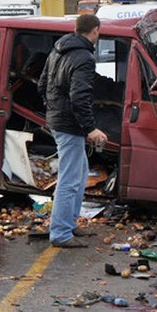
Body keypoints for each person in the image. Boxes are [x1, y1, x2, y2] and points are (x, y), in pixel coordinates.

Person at [37, 13, 107, 248]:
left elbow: (42, 84)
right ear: (95, 30)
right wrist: (91, 129)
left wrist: (53, 110)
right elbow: (79, 97)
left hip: (58, 120)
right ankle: (60, 233)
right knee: (69, 179)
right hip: (69, 125)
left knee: (80, 172)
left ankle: (69, 222)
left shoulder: (58, 50)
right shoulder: (84, 57)